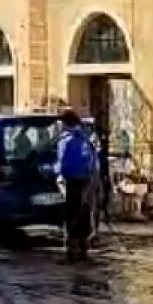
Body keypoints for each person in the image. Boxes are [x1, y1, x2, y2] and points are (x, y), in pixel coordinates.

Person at [57, 110, 99, 262]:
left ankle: (71, 253)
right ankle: (83, 251)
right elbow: (94, 162)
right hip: (87, 181)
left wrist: (58, 176)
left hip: (72, 181)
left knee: (71, 216)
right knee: (83, 215)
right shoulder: (87, 137)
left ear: (65, 124)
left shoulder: (66, 140)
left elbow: (61, 164)